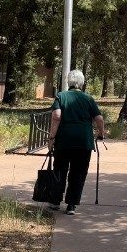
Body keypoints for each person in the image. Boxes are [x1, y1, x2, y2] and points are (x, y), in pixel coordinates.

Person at [47, 69, 106, 215]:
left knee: (60, 170)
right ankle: (71, 205)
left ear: (69, 82)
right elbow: (99, 119)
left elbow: (56, 116)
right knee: (78, 172)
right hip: (83, 142)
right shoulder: (88, 99)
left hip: (64, 140)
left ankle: (55, 201)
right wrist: (101, 134)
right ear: (82, 83)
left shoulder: (61, 96)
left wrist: (51, 138)